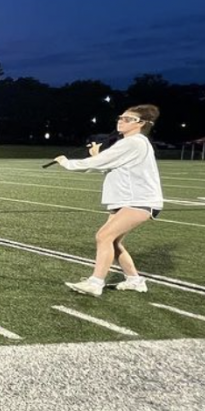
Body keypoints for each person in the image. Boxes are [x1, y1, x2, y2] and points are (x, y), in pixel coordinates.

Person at [53, 104, 163, 296]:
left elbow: (97, 164)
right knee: (113, 242)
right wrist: (98, 155)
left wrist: (66, 162)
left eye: (128, 119)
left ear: (142, 124)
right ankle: (135, 280)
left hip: (138, 200)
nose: (121, 121)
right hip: (127, 200)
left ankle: (95, 283)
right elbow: (108, 166)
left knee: (103, 236)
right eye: (120, 117)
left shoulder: (134, 142)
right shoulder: (132, 143)